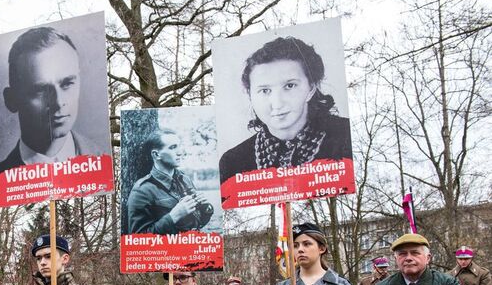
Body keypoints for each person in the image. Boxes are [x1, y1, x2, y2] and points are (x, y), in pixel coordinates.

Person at [218, 37, 352, 185]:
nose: (277, 103)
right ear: (250, 95)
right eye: (265, 90)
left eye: (289, 86)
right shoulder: (232, 163)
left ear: (311, 88)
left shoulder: (347, 138)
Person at [0, 27, 97, 176]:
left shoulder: (104, 160)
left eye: (67, 84)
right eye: (40, 90)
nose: (58, 102)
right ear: (11, 100)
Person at [125, 129, 214, 235]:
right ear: (156, 155)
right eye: (173, 147)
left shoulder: (185, 179)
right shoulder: (142, 190)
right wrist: (173, 216)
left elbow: (196, 224)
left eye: (179, 146)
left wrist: (206, 209)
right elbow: (138, 239)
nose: (180, 152)